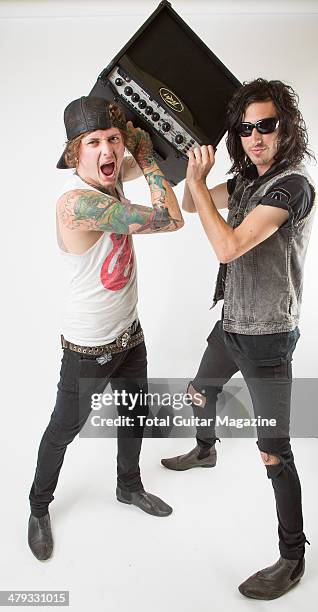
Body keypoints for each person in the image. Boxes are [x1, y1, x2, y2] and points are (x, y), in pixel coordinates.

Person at [161, 79, 316, 599]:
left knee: (275, 454)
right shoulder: (247, 180)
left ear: (285, 127)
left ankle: (292, 559)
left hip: (269, 337)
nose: (255, 137)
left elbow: (228, 247)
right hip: (232, 324)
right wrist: (196, 171)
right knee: (200, 390)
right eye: (246, 128)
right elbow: (189, 200)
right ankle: (206, 449)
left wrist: (203, 185)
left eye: (266, 125)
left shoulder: (291, 187)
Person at [28, 96, 184, 561]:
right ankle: (38, 507)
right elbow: (171, 217)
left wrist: (143, 144)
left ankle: (128, 487)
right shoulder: (77, 203)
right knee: (63, 430)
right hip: (88, 347)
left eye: (111, 140)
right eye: (92, 142)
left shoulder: (111, 178)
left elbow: (147, 171)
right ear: (74, 155)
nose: (105, 151)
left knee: (134, 416)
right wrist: (144, 150)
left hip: (129, 333)